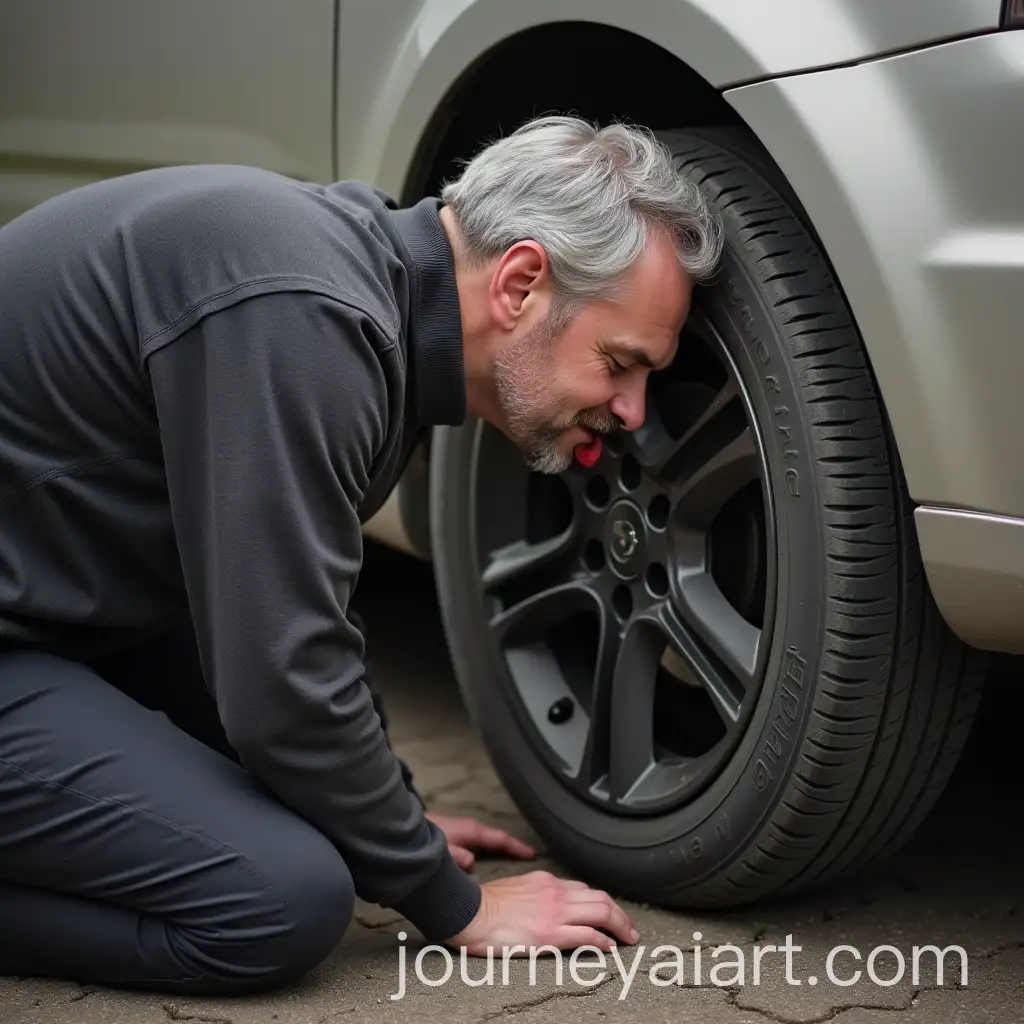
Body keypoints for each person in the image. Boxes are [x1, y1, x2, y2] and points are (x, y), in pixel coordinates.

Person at [0, 115, 722, 994]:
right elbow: (283, 682)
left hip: (57, 621)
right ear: (521, 283)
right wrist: (449, 899)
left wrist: (389, 817)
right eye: (619, 362)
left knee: (316, 833)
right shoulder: (307, 317)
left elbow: (292, 614)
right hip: (31, 638)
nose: (634, 411)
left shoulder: (364, 289)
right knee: (278, 898)